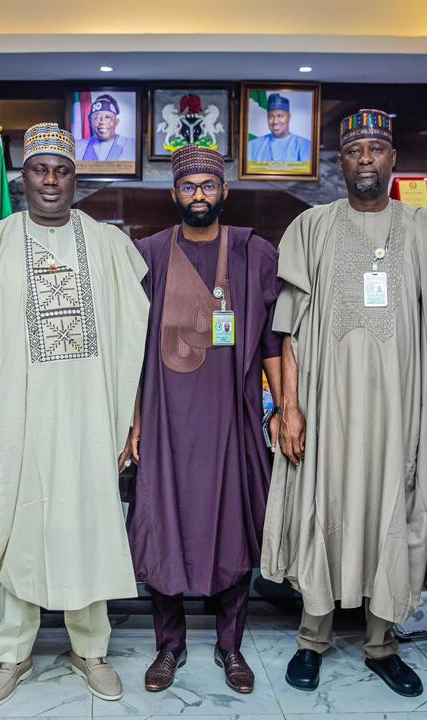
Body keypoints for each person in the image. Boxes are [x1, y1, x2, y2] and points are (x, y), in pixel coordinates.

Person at [262, 108, 427, 698]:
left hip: (402, 410)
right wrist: (289, 408)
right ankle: (312, 639)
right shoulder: (312, 228)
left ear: (393, 159)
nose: (365, 160)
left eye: (376, 149)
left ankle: (382, 643)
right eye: (354, 151)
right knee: (322, 507)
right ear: (341, 163)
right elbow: (289, 329)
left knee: (392, 511)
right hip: (326, 407)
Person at [0, 122, 149, 707]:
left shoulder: (110, 246)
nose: (50, 180)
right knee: (20, 527)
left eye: (61, 171)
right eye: (40, 169)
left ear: (75, 179)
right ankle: (11, 654)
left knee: (88, 525)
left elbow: (134, 340)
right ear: (23, 177)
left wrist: (132, 417)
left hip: (91, 417)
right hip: (15, 421)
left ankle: (91, 650)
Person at [126, 144, 282, 694]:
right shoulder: (147, 254)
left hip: (230, 420)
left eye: (208, 185)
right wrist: (135, 423)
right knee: (164, 528)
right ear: (174, 193)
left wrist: (284, 408)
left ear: (224, 192)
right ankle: (168, 646)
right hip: (165, 422)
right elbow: (132, 349)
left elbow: (272, 340)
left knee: (231, 530)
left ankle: (230, 645)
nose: (198, 195)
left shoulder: (251, 253)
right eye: (189, 186)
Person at [247, 93, 311, 164]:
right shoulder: (252, 145)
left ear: (289, 117)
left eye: (280, 116)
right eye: (271, 117)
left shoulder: (305, 146)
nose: (275, 121)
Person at [75, 93, 136, 162]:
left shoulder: (133, 146)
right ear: (90, 122)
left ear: (116, 122)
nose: (102, 122)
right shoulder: (77, 147)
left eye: (107, 117)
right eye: (96, 117)